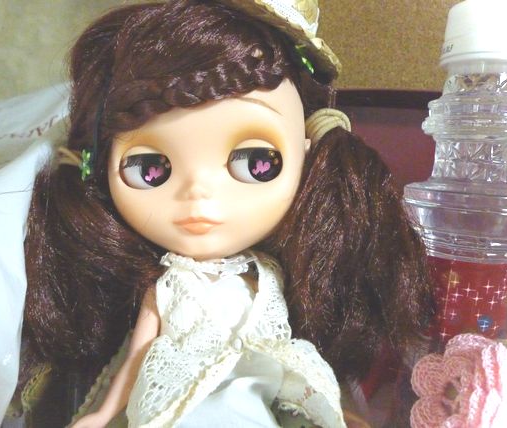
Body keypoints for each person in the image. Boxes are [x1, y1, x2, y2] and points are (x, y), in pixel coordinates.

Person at [22, 0, 432, 426]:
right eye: (150, 169)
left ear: (307, 154)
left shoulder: (278, 273)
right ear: (103, 167)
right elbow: (139, 357)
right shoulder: (168, 286)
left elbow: (294, 358)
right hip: (182, 405)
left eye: (257, 162)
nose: (197, 193)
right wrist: (106, 411)